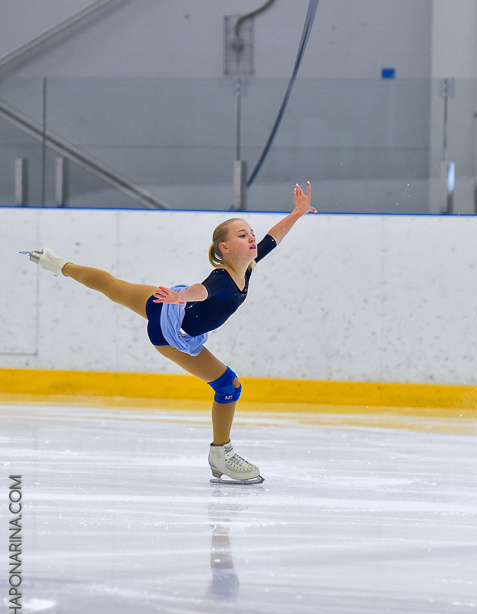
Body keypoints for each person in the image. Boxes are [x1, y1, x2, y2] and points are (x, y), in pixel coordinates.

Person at [24, 182, 316, 485]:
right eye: (243, 235)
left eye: (251, 233)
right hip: (171, 331)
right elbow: (202, 290)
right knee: (229, 386)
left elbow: (274, 237)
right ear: (225, 249)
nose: (253, 237)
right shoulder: (222, 278)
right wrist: (183, 297)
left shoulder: (248, 266)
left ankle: (56, 264)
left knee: (112, 286)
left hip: (165, 303)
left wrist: (298, 212)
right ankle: (221, 453)